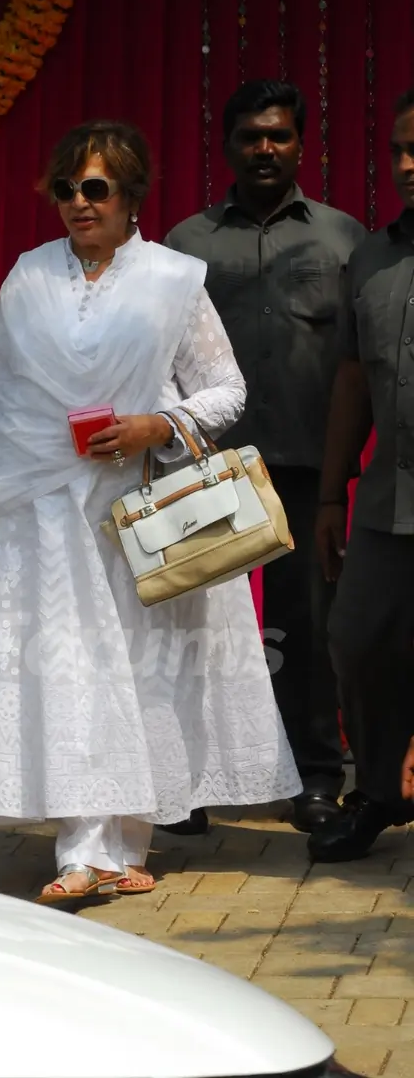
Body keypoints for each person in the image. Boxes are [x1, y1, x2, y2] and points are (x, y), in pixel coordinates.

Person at [0, 120, 300, 904]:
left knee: (140, 674)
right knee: (68, 671)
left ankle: (123, 845)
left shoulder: (172, 279)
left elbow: (227, 390)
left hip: (140, 508)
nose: (79, 202)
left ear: (131, 195)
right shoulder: (28, 277)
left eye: (96, 187)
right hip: (41, 512)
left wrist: (158, 426)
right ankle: (81, 848)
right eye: (66, 188)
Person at [164, 80, 366, 836]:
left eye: (279, 135)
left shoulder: (342, 239)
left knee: (306, 627)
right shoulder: (185, 244)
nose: (265, 148)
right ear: (227, 145)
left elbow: (361, 360)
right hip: (204, 467)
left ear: (301, 144)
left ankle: (314, 777)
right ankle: (186, 785)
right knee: (195, 629)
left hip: (307, 467)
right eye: (251, 136)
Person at [309, 90, 414, 862]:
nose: (407, 164)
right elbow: (352, 378)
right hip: (387, 499)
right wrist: (329, 492)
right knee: (356, 638)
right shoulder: (372, 258)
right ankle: (379, 791)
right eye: (399, 150)